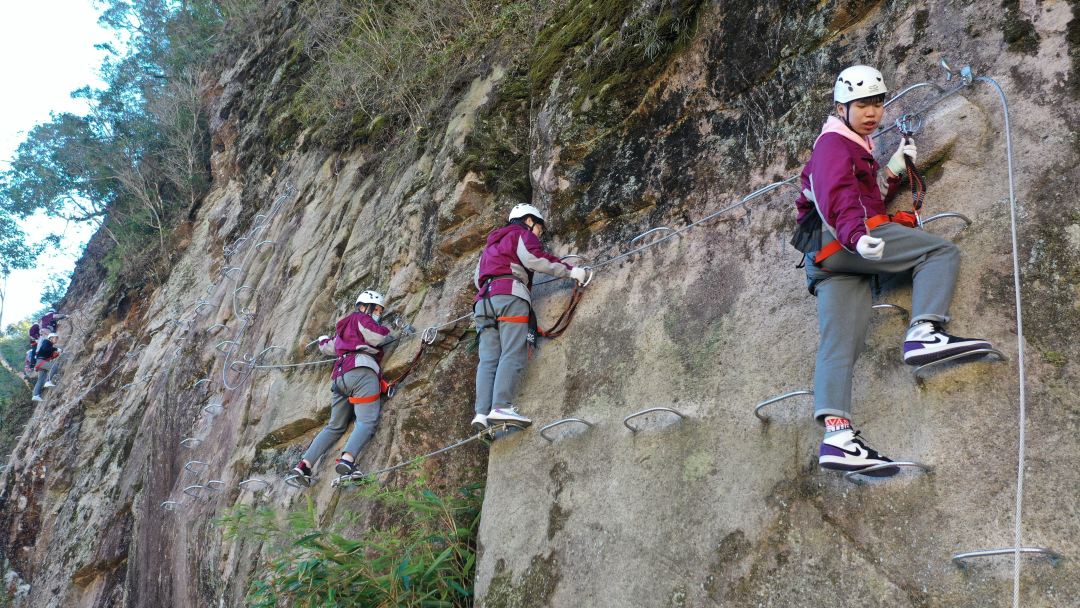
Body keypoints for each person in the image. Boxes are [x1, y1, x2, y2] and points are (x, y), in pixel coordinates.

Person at [793, 65, 993, 474]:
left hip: (826, 260)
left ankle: (838, 438)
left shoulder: (853, 145)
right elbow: (838, 200)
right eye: (862, 104)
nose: (872, 112)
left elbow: (864, 197)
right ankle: (924, 334)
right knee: (940, 253)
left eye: (878, 103)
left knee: (839, 345)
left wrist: (893, 172)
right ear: (840, 106)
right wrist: (854, 236)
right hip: (845, 241)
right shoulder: (833, 144)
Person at [471, 203, 589, 432]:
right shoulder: (521, 234)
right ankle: (501, 407)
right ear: (528, 221)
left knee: (487, 360)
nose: (539, 234)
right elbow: (534, 259)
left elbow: (477, 279)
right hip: (509, 296)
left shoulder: (489, 247)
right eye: (539, 228)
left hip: (483, 303)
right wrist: (571, 270)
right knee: (513, 351)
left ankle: (481, 414)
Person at [290, 290, 392, 485]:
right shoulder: (361, 318)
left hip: (340, 378)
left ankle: (304, 465)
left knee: (335, 426)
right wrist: (390, 332)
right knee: (366, 421)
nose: (378, 313)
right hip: (361, 372)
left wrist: (321, 340)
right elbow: (377, 337)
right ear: (364, 307)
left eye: (380, 310)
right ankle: (347, 460)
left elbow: (329, 347)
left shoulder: (344, 329)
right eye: (376, 309)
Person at [32, 333, 62, 402]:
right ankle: (48, 381)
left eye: (57, 338)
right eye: (55, 338)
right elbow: (46, 348)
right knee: (54, 367)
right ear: (50, 338)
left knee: (41, 379)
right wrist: (56, 349)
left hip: (41, 362)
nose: (57, 339)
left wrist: (56, 354)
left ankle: (35, 395)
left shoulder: (49, 346)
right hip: (41, 361)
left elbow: (49, 355)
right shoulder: (46, 342)